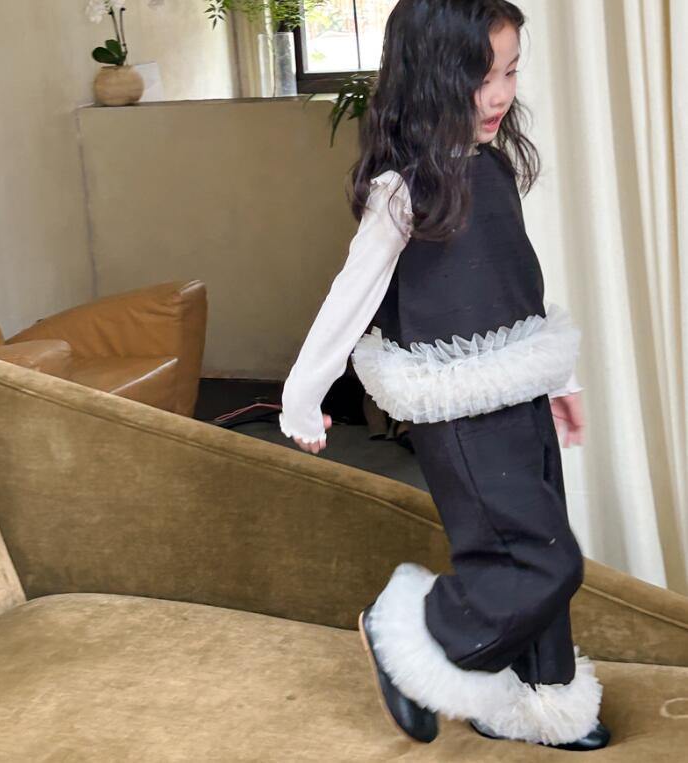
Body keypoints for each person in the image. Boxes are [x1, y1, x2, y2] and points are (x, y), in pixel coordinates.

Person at [278, 0, 610, 752]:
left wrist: (559, 380)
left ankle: (541, 704)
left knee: (537, 545)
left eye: (509, 73)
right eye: (478, 78)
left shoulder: (490, 164)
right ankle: (413, 634)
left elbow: (518, 286)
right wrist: (302, 393)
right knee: (539, 560)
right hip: (459, 410)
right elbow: (351, 296)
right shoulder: (403, 191)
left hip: (518, 391)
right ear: (428, 79)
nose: (499, 95)